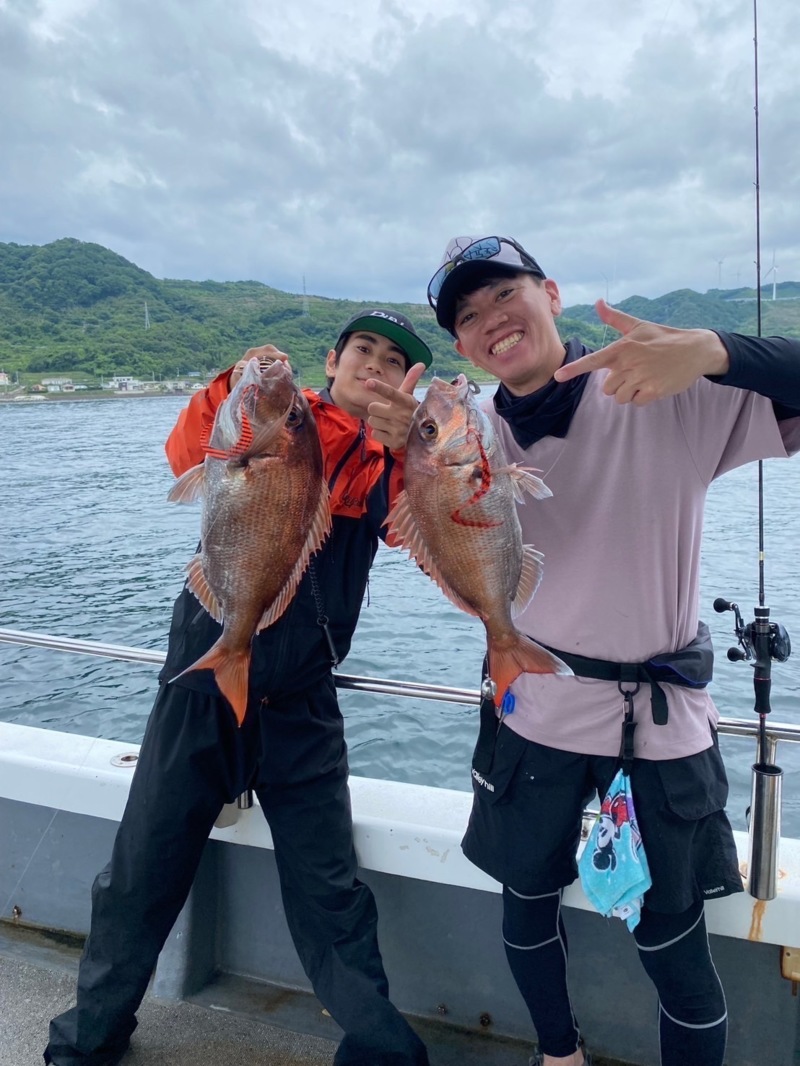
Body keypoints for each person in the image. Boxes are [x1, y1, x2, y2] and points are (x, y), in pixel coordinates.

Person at [423, 235, 800, 1066]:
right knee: (525, 905)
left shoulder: (665, 390)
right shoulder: (468, 437)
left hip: (659, 724)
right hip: (533, 708)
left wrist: (715, 351)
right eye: (469, 316)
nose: (492, 320)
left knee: (672, 943)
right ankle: (559, 1055)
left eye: (504, 294)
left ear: (551, 294)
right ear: (463, 349)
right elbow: (418, 528)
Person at [44, 308, 433, 1066]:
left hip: (301, 703)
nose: (376, 365)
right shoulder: (269, 415)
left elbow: (422, 533)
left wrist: (410, 447)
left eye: (394, 360)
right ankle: (87, 1043)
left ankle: (383, 1054)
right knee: (141, 873)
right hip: (201, 685)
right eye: (364, 349)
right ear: (332, 360)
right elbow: (186, 453)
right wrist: (236, 382)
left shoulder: (385, 459)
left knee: (330, 893)